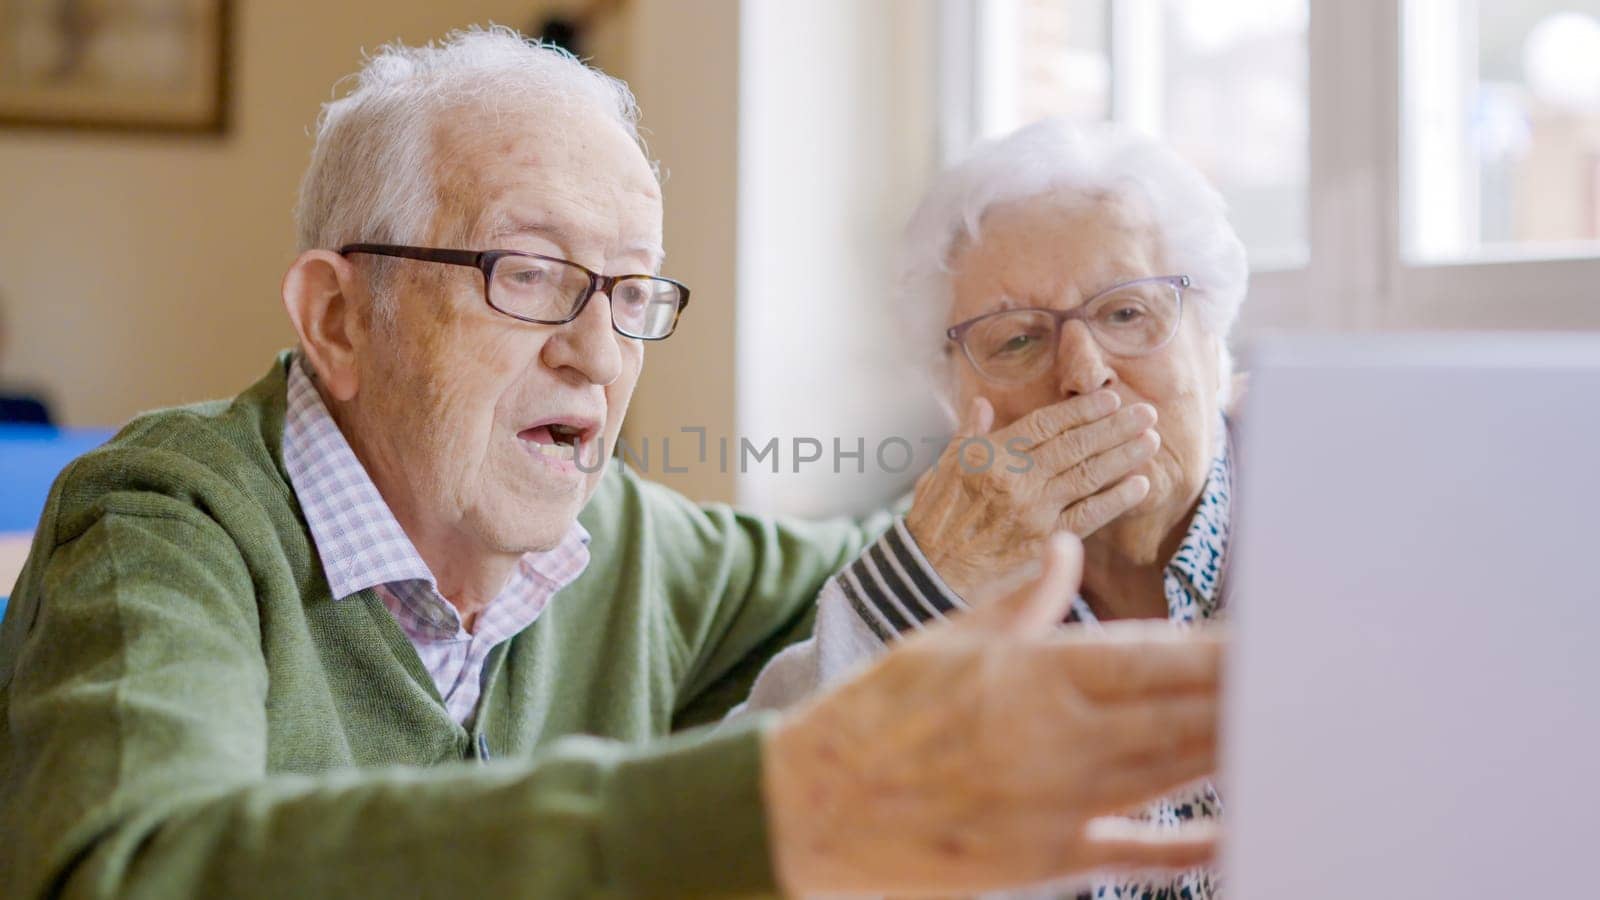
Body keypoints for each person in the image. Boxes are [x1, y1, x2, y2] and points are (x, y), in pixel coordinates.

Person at [0, 31, 1225, 899]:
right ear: (335, 320)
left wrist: (1069, 458)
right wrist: (760, 809)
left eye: (631, 289)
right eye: (525, 274)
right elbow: (124, 869)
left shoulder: (630, 546)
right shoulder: (164, 523)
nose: (596, 349)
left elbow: (894, 572)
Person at [742, 118, 1248, 899]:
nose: (1083, 376)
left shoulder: (1333, 545)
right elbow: (739, 835)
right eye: (1016, 341)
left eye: (1126, 314)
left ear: (1212, 347)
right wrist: (924, 585)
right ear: (956, 403)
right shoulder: (930, 584)